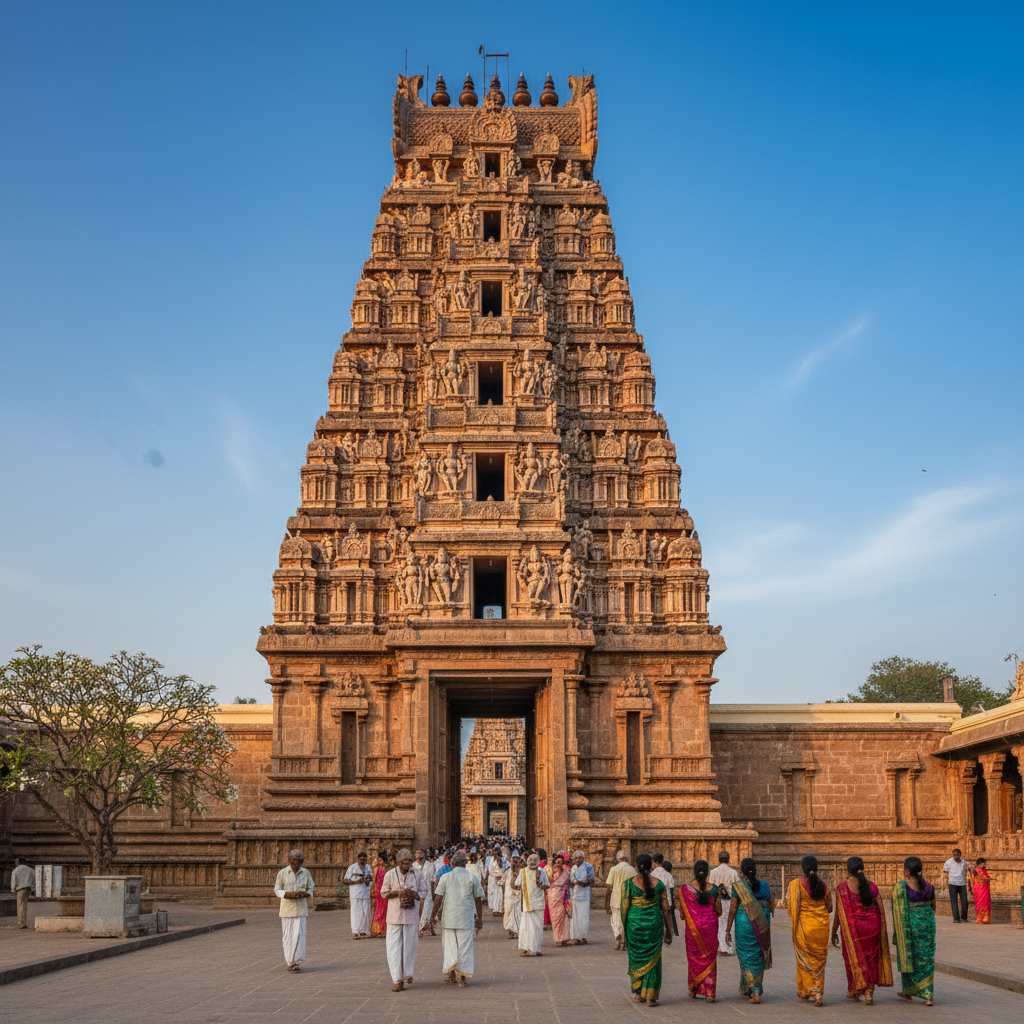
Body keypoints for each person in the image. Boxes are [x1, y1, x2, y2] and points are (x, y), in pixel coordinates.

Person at [830, 856, 893, 1005]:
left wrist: (833, 932)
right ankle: (869, 993)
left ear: (848, 870)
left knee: (853, 958)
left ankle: (856, 989)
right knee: (871, 960)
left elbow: (840, 914)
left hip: (854, 930)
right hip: (873, 927)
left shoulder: (842, 888)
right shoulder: (872, 886)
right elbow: (880, 909)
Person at [621, 853, 673, 1007]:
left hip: (634, 925)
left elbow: (624, 909)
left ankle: (638, 992)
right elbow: (666, 909)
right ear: (652, 866)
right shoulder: (659, 884)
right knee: (654, 960)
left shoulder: (628, 884)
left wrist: (625, 929)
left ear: (636, 866)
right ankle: (651, 996)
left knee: (636, 958)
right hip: (654, 925)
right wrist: (669, 930)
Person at [429, 851, 484, 987]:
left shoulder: (445, 877)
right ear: (465, 865)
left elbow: (438, 899)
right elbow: (478, 900)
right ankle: (462, 978)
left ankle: (451, 974)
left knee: (450, 947)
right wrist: (480, 919)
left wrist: (433, 915)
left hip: (449, 918)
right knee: (464, 948)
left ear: (452, 865)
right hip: (465, 917)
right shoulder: (472, 878)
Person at [726, 856, 774, 1004]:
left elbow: (733, 909)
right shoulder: (765, 885)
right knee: (758, 955)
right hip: (762, 922)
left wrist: (727, 930)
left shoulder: (738, 886)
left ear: (742, 871)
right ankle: (746, 987)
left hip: (744, 924)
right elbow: (771, 906)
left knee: (746, 955)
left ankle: (755, 991)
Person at [786, 855, 832, 1006]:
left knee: (804, 959)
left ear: (802, 868)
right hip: (821, 928)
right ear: (816, 868)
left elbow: (790, 907)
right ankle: (818, 993)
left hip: (805, 928)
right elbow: (830, 907)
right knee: (819, 962)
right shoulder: (824, 886)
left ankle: (806, 990)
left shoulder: (795, 884)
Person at [380, 848, 429, 991]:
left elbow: (424, 892)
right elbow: (383, 893)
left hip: (411, 915)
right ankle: (397, 979)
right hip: (394, 915)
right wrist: (397, 893)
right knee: (394, 947)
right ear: (398, 862)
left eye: (409, 862)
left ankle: (407, 973)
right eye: (404, 863)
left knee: (410, 945)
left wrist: (414, 894)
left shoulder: (418, 874)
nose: (407, 865)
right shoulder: (390, 874)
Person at [893, 856, 936, 1006]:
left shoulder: (901, 887)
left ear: (906, 871)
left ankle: (909, 991)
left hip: (910, 927)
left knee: (909, 956)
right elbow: (933, 907)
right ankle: (928, 995)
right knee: (926, 960)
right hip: (928, 927)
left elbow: (898, 911)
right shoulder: (929, 887)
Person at [679, 859, 721, 1002]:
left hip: (693, 931)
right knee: (710, 960)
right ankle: (710, 992)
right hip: (710, 929)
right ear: (708, 872)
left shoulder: (685, 890)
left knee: (694, 959)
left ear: (694, 873)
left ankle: (693, 989)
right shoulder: (714, 889)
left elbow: (682, 915)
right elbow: (719, 911)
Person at [274, 849, 314, 973]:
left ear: (302, 861)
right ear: (289, 860)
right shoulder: (282, 873)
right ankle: (289, 961)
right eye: (294, 859)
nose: (296, 862)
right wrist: (287, 894)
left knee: (300, 935)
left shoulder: (306, 873)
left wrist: (306, 894)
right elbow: (277, 889)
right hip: (287, 909)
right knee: (288, 936)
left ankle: (296, 961)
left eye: (299, 859)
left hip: (301, 909)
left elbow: (311, 887)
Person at [515, 853, 549, 956]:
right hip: (527, 903)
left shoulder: (542, 871)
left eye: (534, 860)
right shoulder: (523, 871)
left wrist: (538, 882)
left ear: (538, 862)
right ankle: (526, 947)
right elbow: (516, 884)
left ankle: (536, 948)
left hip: (538, 903)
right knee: (526, 927)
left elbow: (547, 885)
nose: (532, 862)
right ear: (527, 861)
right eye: (530, 860)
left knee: (537, 927)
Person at [604, 849, 637, 951]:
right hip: (628, 899)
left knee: (615, 920)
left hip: (615, 898)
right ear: (627, 858)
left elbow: (609, 887)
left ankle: (618, 937)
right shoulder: (632, 870)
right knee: (626, 921)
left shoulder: (613, 869)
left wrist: (606, 904)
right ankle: (625, 940)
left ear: (618, 859)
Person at [708, 850, 739, 954]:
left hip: (717, 902)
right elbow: (737, 887)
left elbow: (711, 887)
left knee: (719, 923)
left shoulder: (713, 872)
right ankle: (729, 947)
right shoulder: (733, 873)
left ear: (719, 859)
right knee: (730, 923)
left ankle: (720, 947)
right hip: (731, 901)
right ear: (728, 859)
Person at [343, 852, 373, 939]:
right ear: (358, 859)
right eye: (361, 859)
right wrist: (356, 881)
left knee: (366, 913)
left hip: (366, 893)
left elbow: (371, 879)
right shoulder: (352, 868)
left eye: (364, 859)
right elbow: (345, 881)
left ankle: (364, 931)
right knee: (356, 913)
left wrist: (367, 879)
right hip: (355, 893)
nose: (362, 860)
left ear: (366, 859)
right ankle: (356, 931)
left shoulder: (368, 867)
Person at [569, 849, 596, 944]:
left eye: (580, 858)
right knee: (575, 917)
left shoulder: (588, 867)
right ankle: (576, 936)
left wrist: (584, 883)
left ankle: (583, 936)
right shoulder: (573, 868)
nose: (578, 860)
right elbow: (572, 880)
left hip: (585, 894)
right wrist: (577, 882)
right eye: (576, 858)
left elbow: (592, 880)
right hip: (576, 894)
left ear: (583, 858)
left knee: (584, 916)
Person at [547, 853, 572, 946]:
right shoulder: (550, 871)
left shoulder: (566, 872)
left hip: (564, 895)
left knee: (565, 917)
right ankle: (557, 939)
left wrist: (568, 895)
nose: (559, 864)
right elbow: (547, 882)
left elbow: (569, 883)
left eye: (561, 862)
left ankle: (564, 937)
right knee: (556, 918)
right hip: (553, 895)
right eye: (557, 862)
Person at [651, 853, 676, 938]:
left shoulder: (652, 875)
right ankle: (669, 933)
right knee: (667, 917)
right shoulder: (667, 874)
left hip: (655, 899)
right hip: (666, 899)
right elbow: (672, 886)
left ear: (654, 862)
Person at [942, 848, 970, 923]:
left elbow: (968, 869)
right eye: (954, 855)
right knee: (954, 901)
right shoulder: (949, 862)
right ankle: (956, 918)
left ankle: (964, 917)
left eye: (957, 855)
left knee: (964, 901)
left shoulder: (964, 862)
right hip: (952, 883)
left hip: (962, 883)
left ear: (960, 855)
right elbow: (945, 871)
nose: (956, 856)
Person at [415, 849, 437, 936]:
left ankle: (429, 928)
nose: (419, 854)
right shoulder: (413, 866)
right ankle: (418, 928)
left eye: (421, 853)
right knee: (419, 909)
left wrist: (433, 891)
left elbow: (432, 879)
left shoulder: (430, 865)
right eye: (417, 853)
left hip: (427, 890)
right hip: (417, 889)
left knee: (428, 908)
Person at [10, 857, 33, 930]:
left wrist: (13, 890)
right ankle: (23, 922)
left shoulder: (16, 870)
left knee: (20, 906)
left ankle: (21, 923)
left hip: (20, 889)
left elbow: (14, 881)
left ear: (19, 862)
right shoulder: (30, 870)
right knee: (24, 906)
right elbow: (33, 880)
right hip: (28, 888)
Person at [503, 854, 523, 938]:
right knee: (518, 914)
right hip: (517, 896)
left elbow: (502, 881)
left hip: (509, 897)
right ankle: (517, 930)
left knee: (508, 914)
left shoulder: (507, 872)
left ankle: (509, 931)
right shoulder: (522, 872)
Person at [370, 853, 388, 937]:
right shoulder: (377, 869)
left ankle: (382, 929)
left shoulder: (384, 869)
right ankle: (379, 929)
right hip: (379, 892)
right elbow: (374, 882)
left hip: (384, 892)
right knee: (379, 910)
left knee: (383, 910)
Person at [660, 860, 680, 937]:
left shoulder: (660, 875)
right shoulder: (669, 875)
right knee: (669, 918)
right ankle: (671, 932)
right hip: (668, 900)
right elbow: (671, 890)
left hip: (662, 900)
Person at [486, 847, 506, 917]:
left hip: (493, 878)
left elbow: (490, 870)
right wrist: (500, 874)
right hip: (498, 878)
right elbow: (505, 869)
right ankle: (497, 909)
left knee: (494, 894)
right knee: (498, 894)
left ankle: (496, 909)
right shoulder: (503, 859)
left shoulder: (492, 860)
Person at [972, 857, 992, 924]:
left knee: (986, 903)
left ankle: (986, 919)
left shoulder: (985, 870)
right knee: (980, 904)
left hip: (985, 889)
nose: (983, 865)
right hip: (979, 889)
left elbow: (987, 877)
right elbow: (975, 879)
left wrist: (987, 879)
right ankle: (980, 919)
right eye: (982, 863)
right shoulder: (976, 870)